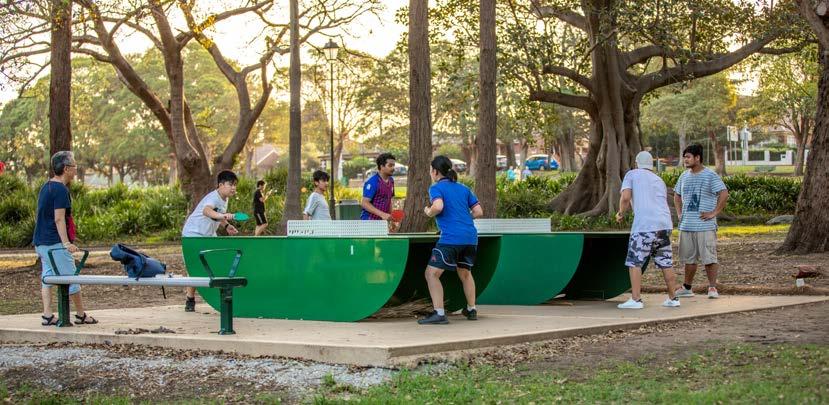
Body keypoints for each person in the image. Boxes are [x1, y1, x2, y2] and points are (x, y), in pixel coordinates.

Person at [418, 155, 484, 325]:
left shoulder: (436, 188)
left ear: (435, 171)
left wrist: (428, 212)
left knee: (431, 274)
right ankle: (471, 309)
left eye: (430, 170)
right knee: (465, 273)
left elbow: (438, 206)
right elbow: (478, 212)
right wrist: (462, 219)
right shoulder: (464, 188)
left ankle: (439, 314)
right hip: (470, 238)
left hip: (451, 238)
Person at [34, 151, 97, 326]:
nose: (76, 168)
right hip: (54, 244)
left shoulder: (46, 187)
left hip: (41, 243)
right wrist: (66, 243)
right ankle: (81, 314)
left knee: (47, 276)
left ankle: (47, 315)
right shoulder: (61, 189)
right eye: (75, 165)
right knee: (71, 277)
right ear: (66, 168)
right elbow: (59, 218)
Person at [615, 151, 680, 309]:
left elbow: (625, 197)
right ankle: (673, 298)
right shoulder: (659, 180)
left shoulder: (631, 174)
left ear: (636, 163)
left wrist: (620, 213)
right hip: (664, 225)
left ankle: (636, 299)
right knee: (665, 262)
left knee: (634, 261)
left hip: (644, 226)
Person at [673, 144, 729, 299]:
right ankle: (687, 288)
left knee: (709, 258)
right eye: (684, 157)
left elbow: (724, 193)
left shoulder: (710, 175)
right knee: (689, 259)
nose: (685, 160)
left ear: (697, 158)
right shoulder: (684, 176)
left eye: (688, 157)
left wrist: (714, 213)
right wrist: (679, 214)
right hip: (686, 225)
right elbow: (676, 195)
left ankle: (712, 288)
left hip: (705, 225)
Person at [181, 170, 240, 312]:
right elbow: (207, 211)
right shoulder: (213, 198)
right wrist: (224, 216)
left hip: (208, 235)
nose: (233, 188)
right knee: (194, 268)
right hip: (193, 234)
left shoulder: (225, 199)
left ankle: (222, 297)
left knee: (216, 263)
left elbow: (217, 215)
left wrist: (226, 225)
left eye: (235, 185)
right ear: (220, 185)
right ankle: (190, 299)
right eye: (230, 184)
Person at [360, 153, 395, 221]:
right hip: (369, 221)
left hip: (382, 222)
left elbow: (388, 200)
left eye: (393, 165)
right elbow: (364, 203)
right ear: (382, 166)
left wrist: (391, 218)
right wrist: (382, 214)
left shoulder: (391, 180)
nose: (393, 168)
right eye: (390, 165)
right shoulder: (372, 182)